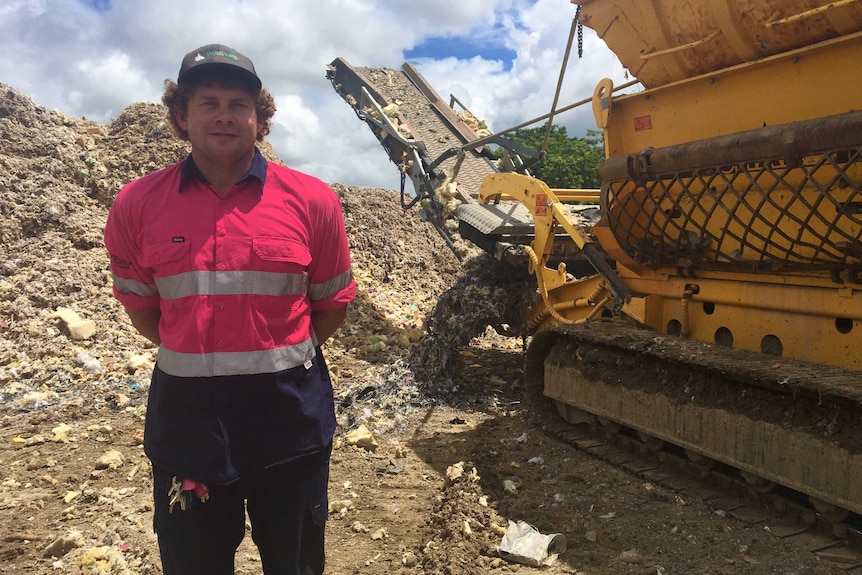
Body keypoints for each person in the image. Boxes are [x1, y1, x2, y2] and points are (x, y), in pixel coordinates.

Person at [104, 44, 355, 575]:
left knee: (296, 564)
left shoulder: (313, 202)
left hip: (289, 424)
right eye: (208, 102)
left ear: (260, 119)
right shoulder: (135, 204)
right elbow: (146, 313)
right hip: (188, 427)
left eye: (239, 104)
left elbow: (330, 307)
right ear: (181, 116)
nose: (224, 115)